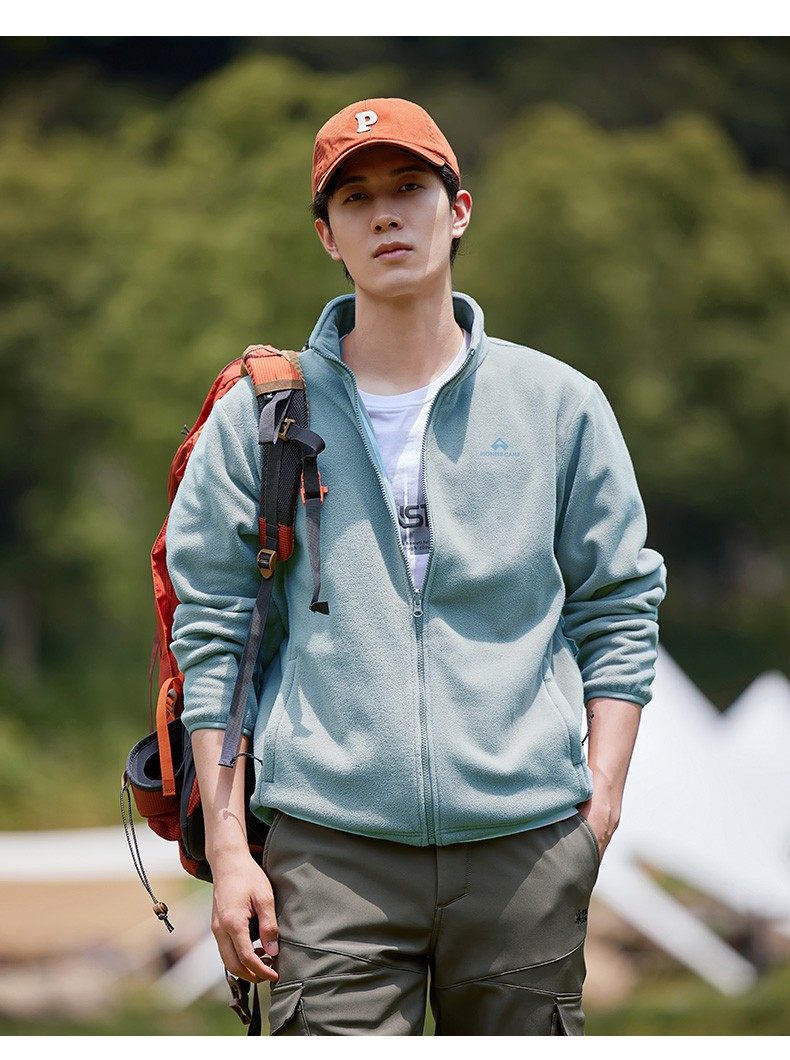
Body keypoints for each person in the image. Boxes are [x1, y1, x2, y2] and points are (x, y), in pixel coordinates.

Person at [165, 97, 668, 1035]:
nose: (386, 215)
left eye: (408, 188)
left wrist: (598, 807)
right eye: (355, 199)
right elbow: (214, 635)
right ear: (327, 235)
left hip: (528, 848)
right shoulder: (260, 417)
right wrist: (230, 852)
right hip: (330, 852)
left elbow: (619, 606)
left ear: (459, 209)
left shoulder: (560, 404)